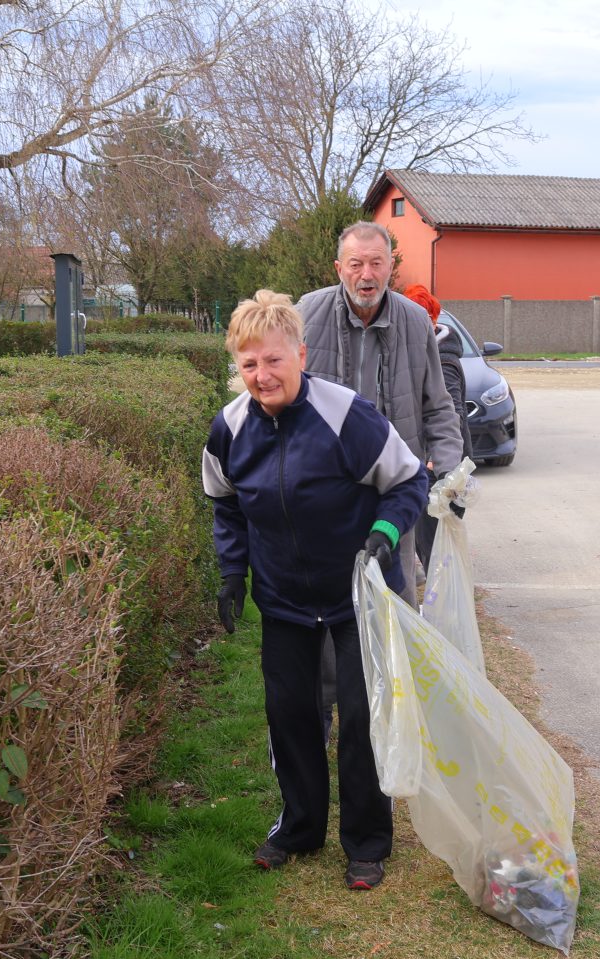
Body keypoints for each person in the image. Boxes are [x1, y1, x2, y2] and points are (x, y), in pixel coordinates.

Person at [202, 289, 427, 891]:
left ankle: (367, 842)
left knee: (358, 716)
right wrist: (232, 573)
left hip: (357, 592)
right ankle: (299, 828)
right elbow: (225, 505)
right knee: (291, 715)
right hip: (282, 599)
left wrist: (382, 535)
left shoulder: (346, 415)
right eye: (248, 364)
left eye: (273, 361)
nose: (262, 375)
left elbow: (408, 482)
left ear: (300, 354)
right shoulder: (229, 429)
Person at [296, 222, 463, 605]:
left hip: (393, 490)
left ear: (391, 267)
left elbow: (438, 406)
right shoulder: (306, 313)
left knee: (393, 600)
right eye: (355, 264)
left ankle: (389, 667)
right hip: (324, 488)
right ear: (339, 269)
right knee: (328, 605)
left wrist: (450, 473)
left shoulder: (416, 321)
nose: (366, 275)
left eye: (376, 263)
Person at [402, 283, 472, 571]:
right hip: (434, 461)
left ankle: (441, 603)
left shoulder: (442, 360)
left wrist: (437, 457)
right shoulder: (421, 351)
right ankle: (439, 594)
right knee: (431, 539)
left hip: (441, 465)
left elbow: (450, 411)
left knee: (435, 543)